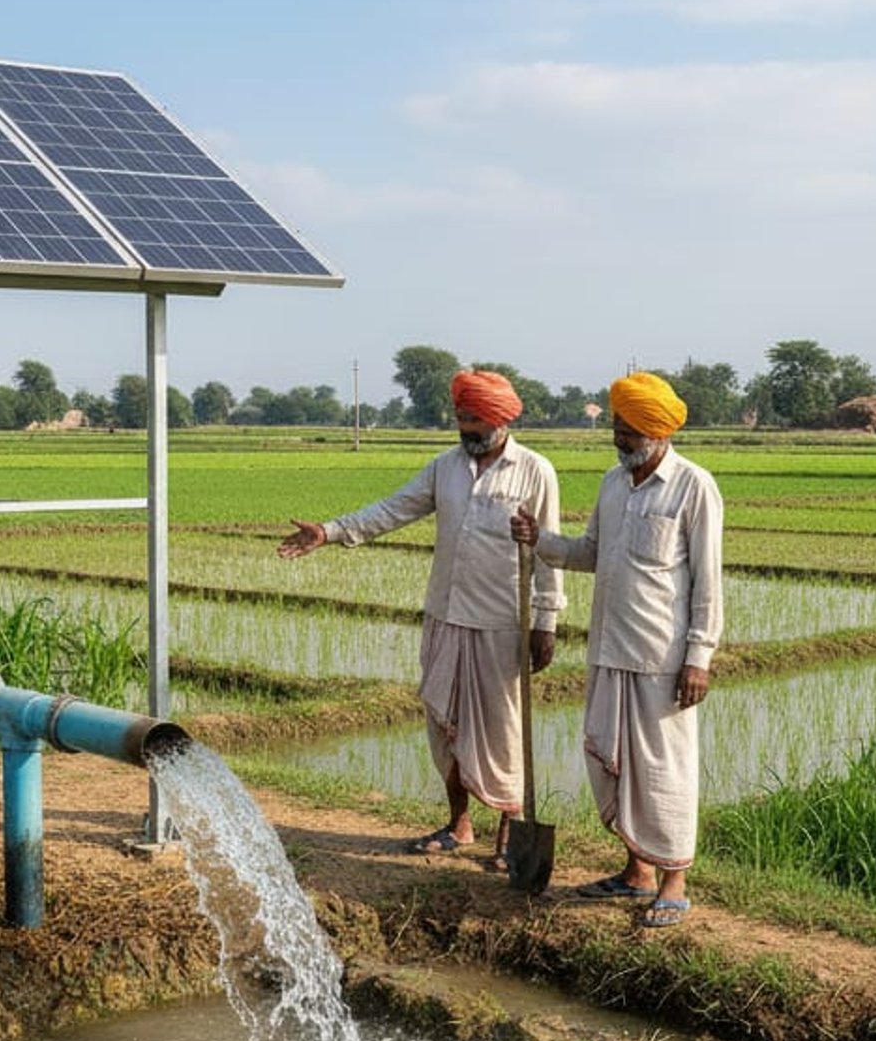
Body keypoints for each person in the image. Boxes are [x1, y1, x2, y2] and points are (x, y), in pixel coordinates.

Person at [279, 370, 561, 866]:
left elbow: (548, 550)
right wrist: (330, 531)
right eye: (460, 418)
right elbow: (393, 510)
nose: (465, 428)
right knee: (443, 725)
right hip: (445, 616)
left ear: (499, 419)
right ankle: (459, 824)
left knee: (502, 732)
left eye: (474, 419)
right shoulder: (445, 468)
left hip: (501, 624)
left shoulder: (535, 471)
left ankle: (508, 836)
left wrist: (546, 622)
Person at [510, 371, 722, 928]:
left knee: (664, 772)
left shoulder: (693, 487)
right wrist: (540, 542)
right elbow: (591, 552)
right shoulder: (611, 485)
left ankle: (673, 880)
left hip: (661, 658)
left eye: (630, 430)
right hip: (608, 647)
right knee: (613, 764)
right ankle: (636, 873)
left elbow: (708, 581)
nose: (620, 438)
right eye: (617, 428)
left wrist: (699, 656)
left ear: (658, 432)